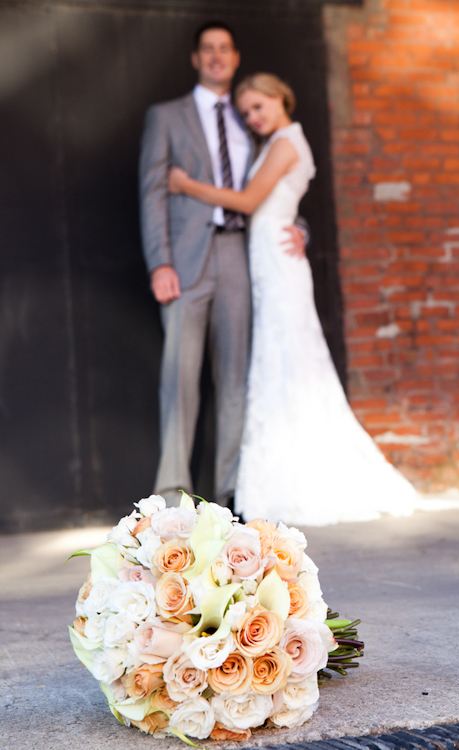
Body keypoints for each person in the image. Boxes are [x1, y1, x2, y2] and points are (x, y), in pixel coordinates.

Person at [168, 73, 424, 526]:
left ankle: (298, 476)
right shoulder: (277, 143)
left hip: (279, 266)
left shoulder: (286, 142)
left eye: (258, 107)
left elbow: (248, 201)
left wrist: (187, 185)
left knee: (289, 359)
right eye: (246, 112)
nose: (253, 117)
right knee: (276, 361)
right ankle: (278, 471)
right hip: (266, 262)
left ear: (279, 97)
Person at [139, 24, 306, 509]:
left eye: (224, 49)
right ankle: (172, 493)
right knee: (180, 376)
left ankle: (233, 492)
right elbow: (152, 193)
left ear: (235, 58)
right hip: (185, 260)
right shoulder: (165, 116)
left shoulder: (251, 118)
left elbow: (277, 188)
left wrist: (303, 231)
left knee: (236, 378)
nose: (216, 57)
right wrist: (159, 262)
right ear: (196, 58)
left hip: (240, 255)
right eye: (207, 49)